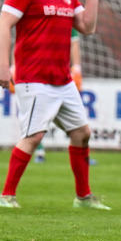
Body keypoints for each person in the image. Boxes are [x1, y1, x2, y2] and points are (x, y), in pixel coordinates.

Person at [0, 0, 108, 210]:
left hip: (62, 80)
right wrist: (1, 66)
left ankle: (83, 198)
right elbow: (3, 26)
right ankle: (6, 196)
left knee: (82, 133)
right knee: (34, 136)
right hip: (33, 78)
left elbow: (87, 27)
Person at [32, 28, 83, 163]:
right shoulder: (39, 17)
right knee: (38, 117)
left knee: (79, 121)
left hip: (63, 77)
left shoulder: (65, 13)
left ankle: (83, 156)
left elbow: (74, 41)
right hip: (40, 75)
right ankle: (39, 152)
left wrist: (77, 68)